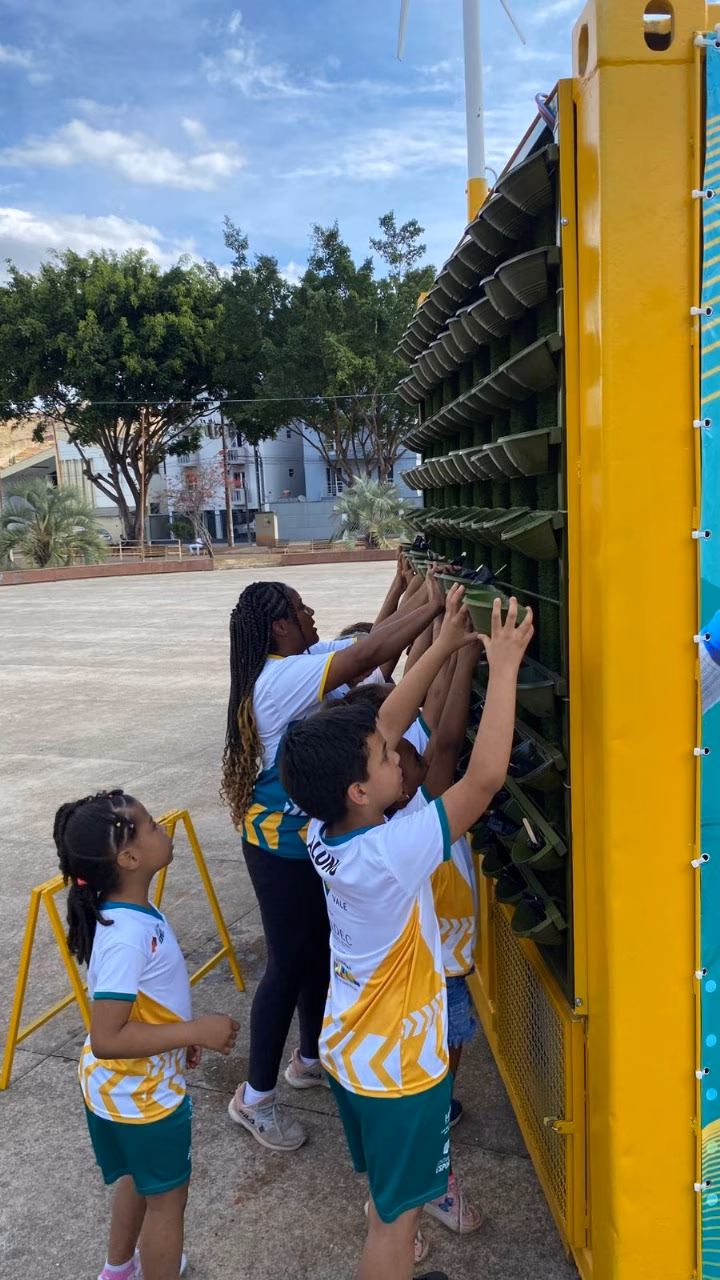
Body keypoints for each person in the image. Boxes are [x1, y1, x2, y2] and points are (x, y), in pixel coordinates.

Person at [279, 588, 533, 1280]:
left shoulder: (324, 829)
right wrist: (505, 666)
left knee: (389, 1200)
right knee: (397, 1224)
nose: (398, 753)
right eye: (386, 757)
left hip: (352, 1051)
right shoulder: (392, 853)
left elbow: (383, 724)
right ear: (359, 791)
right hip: (399, 1073)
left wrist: (446, 643)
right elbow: (482, 780)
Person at [221, 575, 444, 1151]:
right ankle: (255, 1097)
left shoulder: (302, 658)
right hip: (277, 847)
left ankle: (309, 1057)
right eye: (300, 609)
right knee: (286, 965)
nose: (311, 612)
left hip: (300, 841)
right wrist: (438, 606)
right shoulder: (278, 680)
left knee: (316, 952)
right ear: (279, 626)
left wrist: (420, 593)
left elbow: (375, 640)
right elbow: (370, 654)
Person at [54, 789, 239, 1280]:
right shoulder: (127, 935)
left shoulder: (129, 913)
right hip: (140, 1096)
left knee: (141, 1178)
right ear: (129, 859)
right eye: (152, 826)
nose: (163, 829)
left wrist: (179, 1035)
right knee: (168, 1204)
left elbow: (145, 1002)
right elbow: (107, 1037)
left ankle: (117, 1270)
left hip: (121, 1088)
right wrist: (196, 1028)